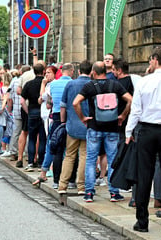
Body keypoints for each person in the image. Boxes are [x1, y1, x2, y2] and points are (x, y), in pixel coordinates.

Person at [125, 47, 161, 233]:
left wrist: (129, 131)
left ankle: (142, 221)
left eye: (151, 59)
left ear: (156, 60)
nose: (149, 62)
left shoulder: (144, 82)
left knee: (144, 175)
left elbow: (136, 109)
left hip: (146, 129)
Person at [73, 61, 132, 203]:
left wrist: (83, 118)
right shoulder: (115, 85)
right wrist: (123, 116)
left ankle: (89, 193)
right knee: (112, 160)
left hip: (94, 127)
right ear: (106, 71)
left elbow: (76, 102)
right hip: (112, 128)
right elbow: (130, 99)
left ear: (93, 72)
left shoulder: (89, 86)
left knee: (91, 160)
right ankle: (113, 193)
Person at [56, 60, 92, 194]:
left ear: (78, 71)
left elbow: (63, 105)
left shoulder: (70, 84)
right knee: (84, 156)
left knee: (69, 155)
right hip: (87, 125)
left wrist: (63, 122)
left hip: (72, 125)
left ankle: (62, 185)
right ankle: (81, 186)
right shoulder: (92, 84)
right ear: (91, 72)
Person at [21, 64, 47, 172]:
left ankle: (31, 162)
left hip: (32, 112)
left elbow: (22, 101)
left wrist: (28, 111)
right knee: (42, 139)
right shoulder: (46, 84)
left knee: (31, 138)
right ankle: (41, 162)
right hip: (43, 112)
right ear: (44, 71)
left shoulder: (29, 84)